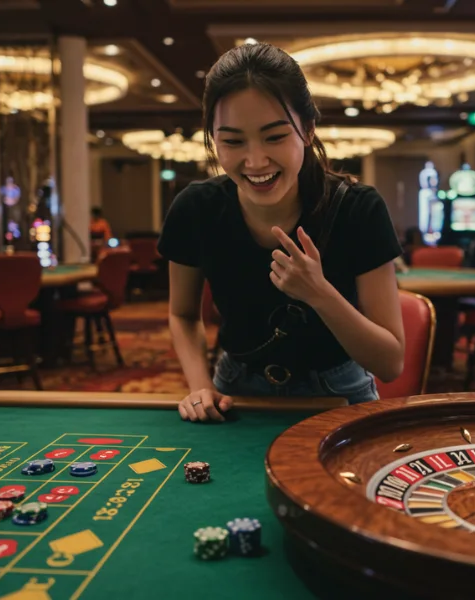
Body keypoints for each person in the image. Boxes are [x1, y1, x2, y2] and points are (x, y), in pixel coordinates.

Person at [157, 43, 406, 422]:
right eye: (233, 141)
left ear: (307, 129)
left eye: (275, 137)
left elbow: (390, 362)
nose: (255, 161)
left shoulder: (358, 208)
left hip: (338, 393)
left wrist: (319, 293)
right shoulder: (196, 208)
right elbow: (183, 315)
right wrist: (199, 385)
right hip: (234, 390)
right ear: (212, 138)